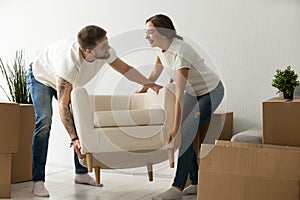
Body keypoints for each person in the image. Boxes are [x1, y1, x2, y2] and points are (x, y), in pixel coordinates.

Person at [27, 25, 162, 197]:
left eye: (107, 42)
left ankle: (81, 173)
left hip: (65, 80)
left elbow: (125, 70)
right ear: (89, 52)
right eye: (103, 45)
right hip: (41, 77)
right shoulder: (69, 64)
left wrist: (150, 84)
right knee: (44, 121)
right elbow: (63, 105)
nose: (108, 47)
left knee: (81, 118)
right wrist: (74, 139)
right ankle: (38, 181)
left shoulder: (104, 50)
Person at [138, 14, 224, 200]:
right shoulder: (161, 50)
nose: (147, 37)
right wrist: (142, 89)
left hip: (211, 91)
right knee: (185, 132)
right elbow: (155, 73)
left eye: (151, 32)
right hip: (194, 93)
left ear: (164, 32)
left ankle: (177, 188)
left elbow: (179, 95)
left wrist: (176, 129)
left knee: (183, 132)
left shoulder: (180, 52)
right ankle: (195, 182)